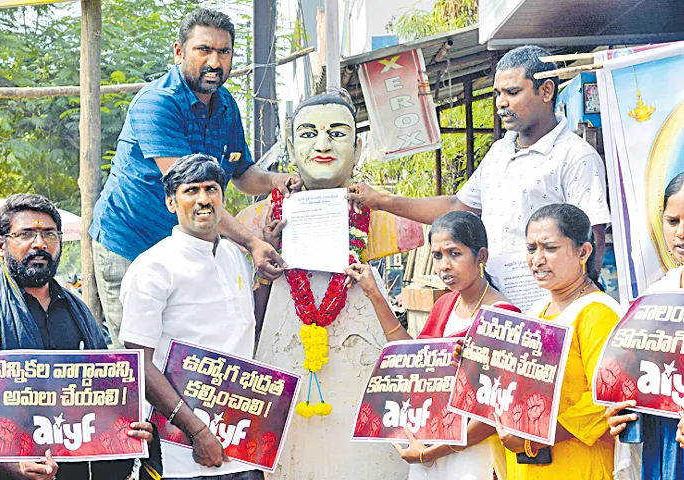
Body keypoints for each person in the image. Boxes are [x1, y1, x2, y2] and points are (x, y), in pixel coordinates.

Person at [234, 92, 423, 479]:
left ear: (357, 146)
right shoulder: (254, 223)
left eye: (337, 133)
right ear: (291, 146)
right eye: (309, 134)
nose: (322, 145)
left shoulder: (388, 216)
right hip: (284, 363)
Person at [90, 8, 302, 348]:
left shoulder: (226, 106)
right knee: (140, 359)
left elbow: (243, 174)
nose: (215, 62)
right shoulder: (156, 103)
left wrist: (278, 181)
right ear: (179, 52)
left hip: (190, 247)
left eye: (224, 51)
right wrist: (252, 242)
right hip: (131, 241)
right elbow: (193, 193)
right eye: (203, 50)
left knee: (193, 351)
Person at [0, 194, 156, 480]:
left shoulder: (79, 313)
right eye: (26, 234)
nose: (40, 243)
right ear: (2, 245)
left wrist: (129, 430)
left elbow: (106, 397)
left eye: (49, 234)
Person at [347, 45, 611, 273]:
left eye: (512, 92)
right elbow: (456, 207)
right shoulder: (499, 152)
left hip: (548, 310)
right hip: (499, 303)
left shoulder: (575, 156)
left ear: (546, 91)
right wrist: (381, 201)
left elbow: (593, 241)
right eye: (498, 94)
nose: (501, 103)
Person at [119, 154, 281, 479]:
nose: (203, 199)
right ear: (170, 202)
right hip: (184, 454)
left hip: (243, 442)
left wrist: (264, 277)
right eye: (191, 190)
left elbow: (248, 326)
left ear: (223, 198)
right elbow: (137, 362)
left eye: (211, 189)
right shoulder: (153, 267)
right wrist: (197, 432)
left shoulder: (234, 255)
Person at [345, 211, 518, 480]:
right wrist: (374, 294)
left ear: (481, 256)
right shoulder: (445, 305)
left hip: (475, 456)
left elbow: (492, 416)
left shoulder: (503, 317)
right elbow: (413, 361)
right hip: (433, 446)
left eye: (454, 253)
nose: (444, 265)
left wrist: (433, 453)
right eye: (437, 255)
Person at [492, 203, 621, 479]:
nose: (537, 259)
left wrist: (535, 438)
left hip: (577, 466)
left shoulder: (598, 313)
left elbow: (604, 401)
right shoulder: (536, 311)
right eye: (531, 249)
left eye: (550, 248)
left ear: (583, 252)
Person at [605, 172, 684, 480]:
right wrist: (620, 414)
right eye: (672, 221)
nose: (680, 234)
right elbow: (636, 384)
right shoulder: (652, 300)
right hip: (662, 450)